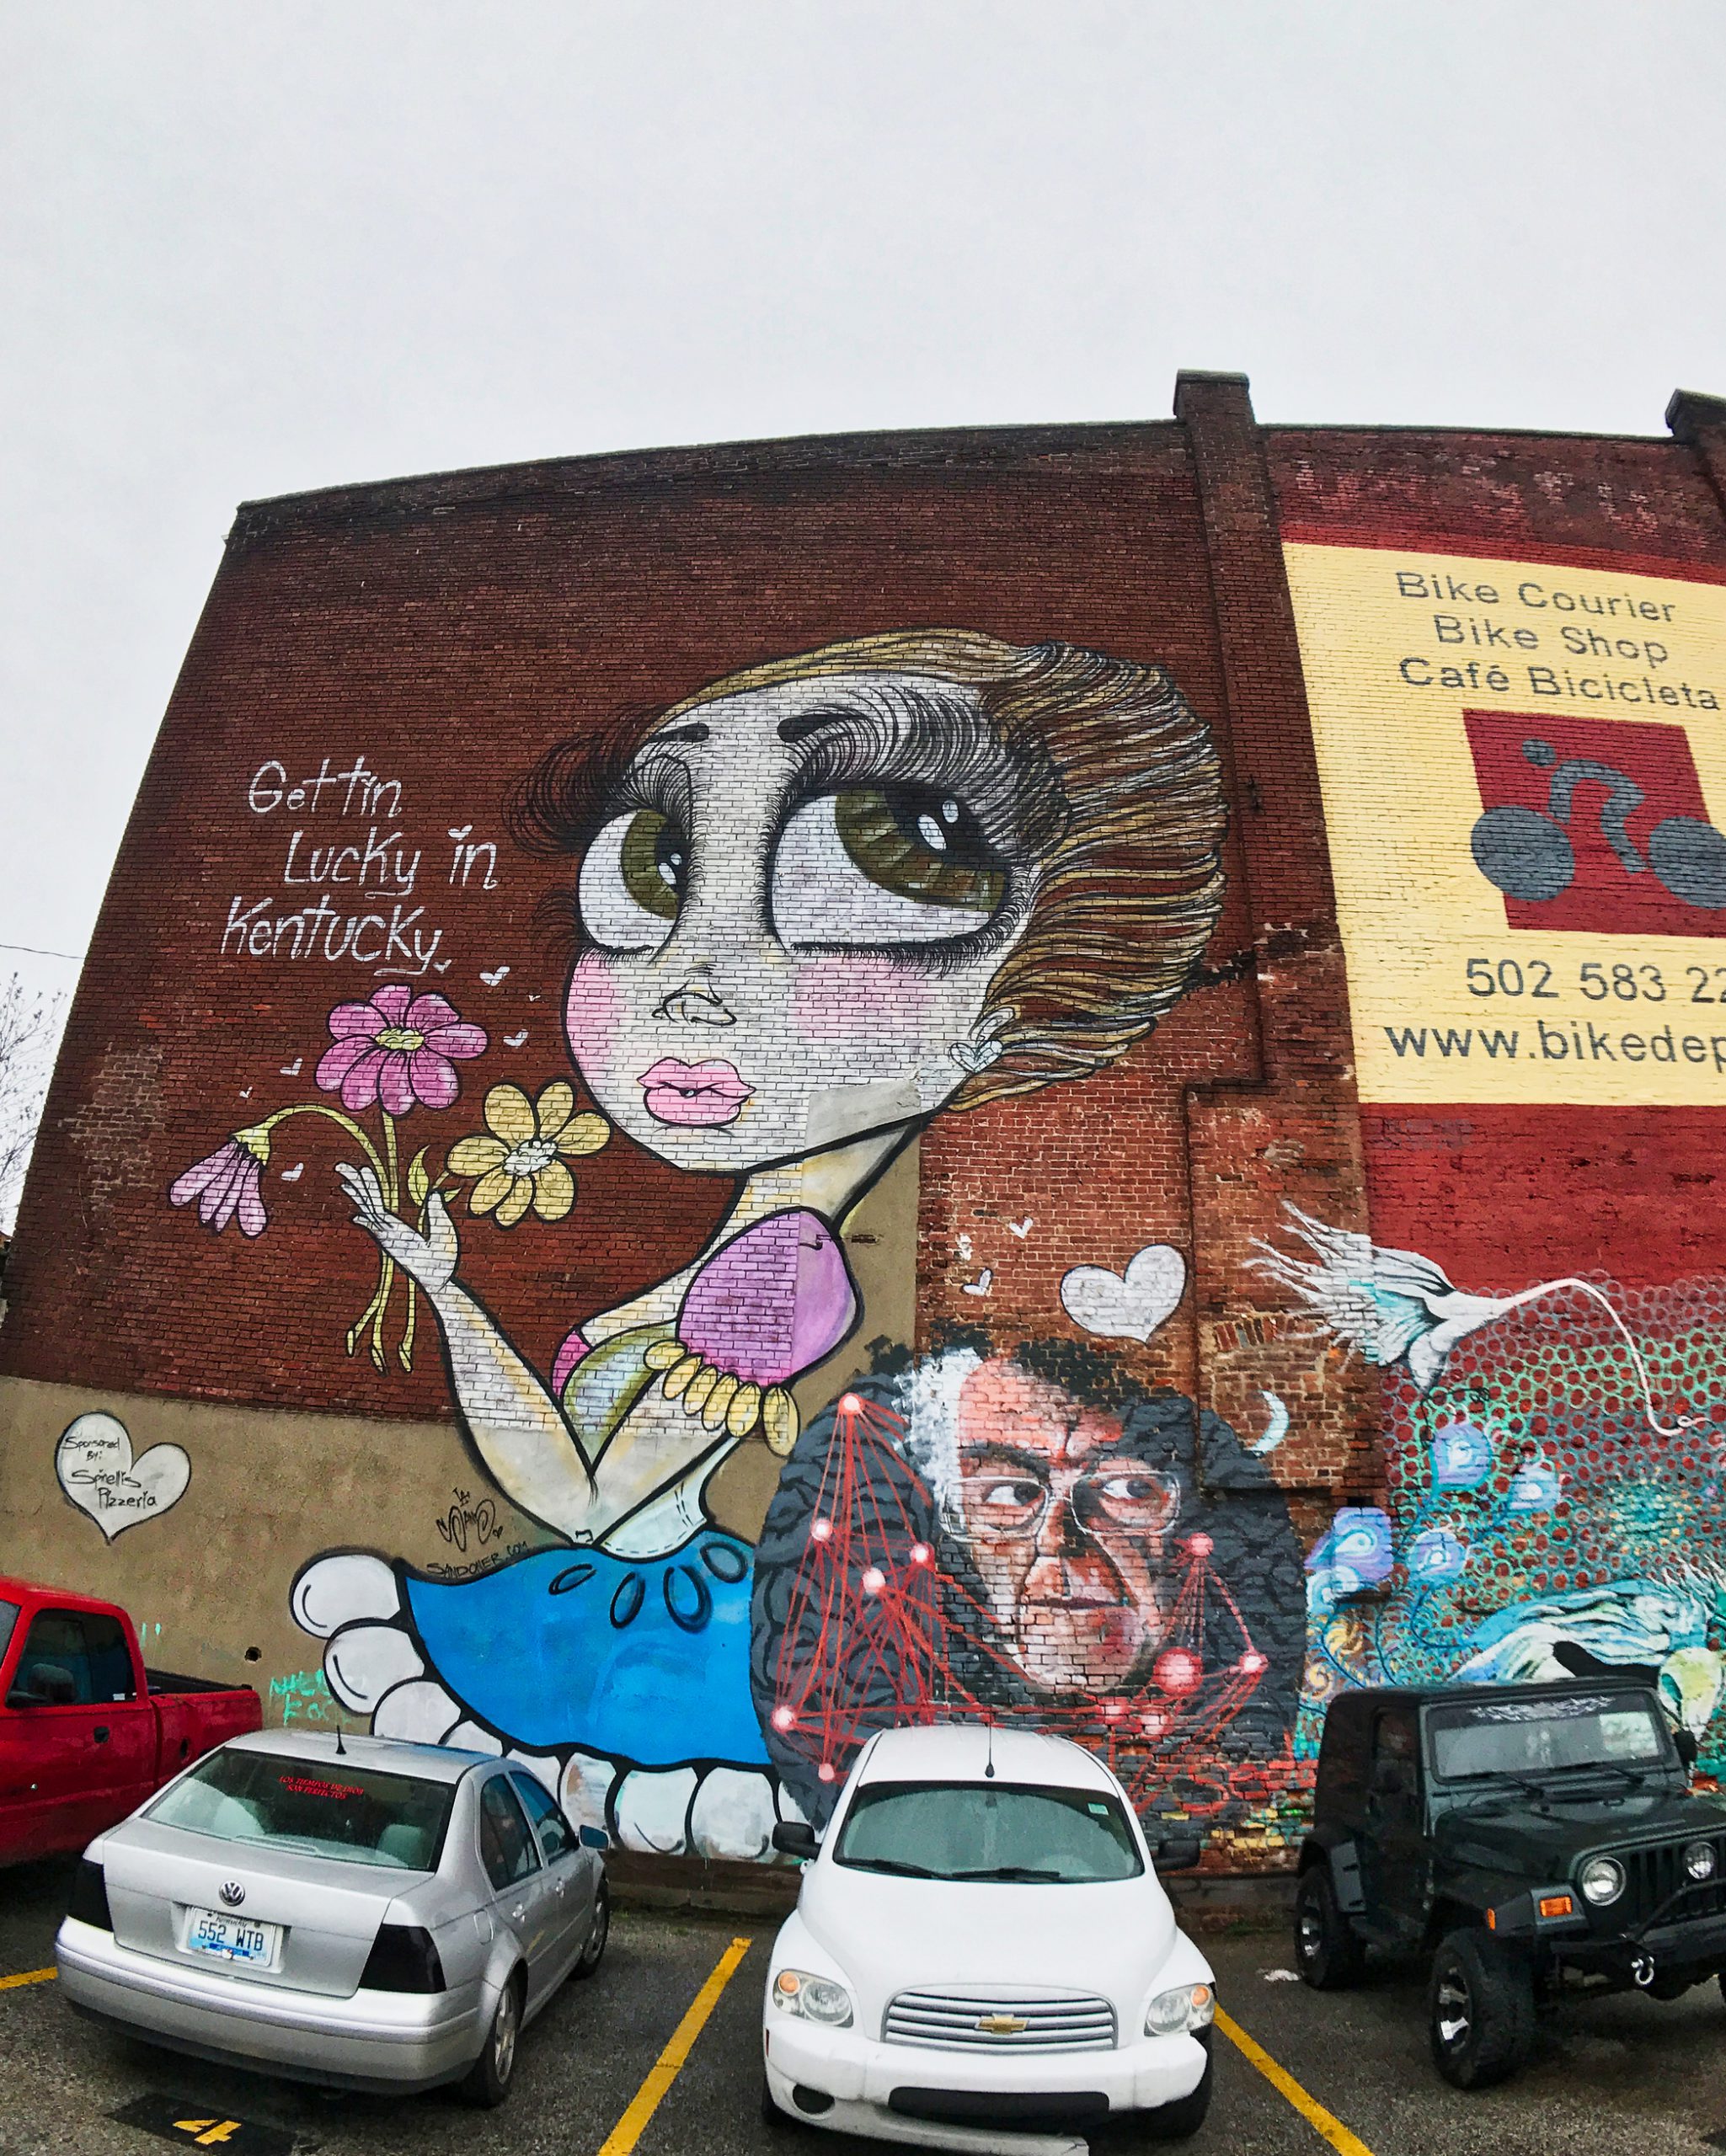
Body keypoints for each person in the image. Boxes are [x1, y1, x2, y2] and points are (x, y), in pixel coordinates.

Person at [291, 630, 1227, 1854]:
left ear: (1026, 993)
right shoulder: (754, 1251)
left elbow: (585, 1504)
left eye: (871, 858)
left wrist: (449, 1293)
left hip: (642, 1630)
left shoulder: (776, 1278)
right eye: (656, 862)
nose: (694, 978)